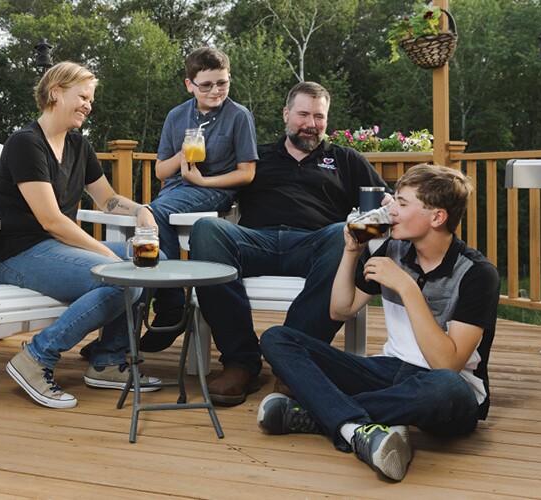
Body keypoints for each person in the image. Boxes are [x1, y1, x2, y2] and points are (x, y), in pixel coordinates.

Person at [257, 164, 499, 482]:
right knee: (277, 338)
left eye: (401, 203)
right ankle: (356, 428)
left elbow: (447, 364)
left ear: (437, 217)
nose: (390, 210)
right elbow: (340, 310)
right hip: (388, 373)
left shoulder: (478, 274)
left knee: (446, 388)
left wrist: (407, 287)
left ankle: (319, 415)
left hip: (446, 391)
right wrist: (350, 252)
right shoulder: (394, 249)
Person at [189, 81, 390, 406]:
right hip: (256, 240)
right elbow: (212, 192)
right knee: (207, 229)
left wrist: (374, 222)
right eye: (303, 114)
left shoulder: (345, 159)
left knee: (342, 236)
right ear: (286, 114)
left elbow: (387, 203)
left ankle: (292, 363)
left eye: (319, 116)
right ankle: (241, 362)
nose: (311, 124)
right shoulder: (256, 157)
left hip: (315, 244)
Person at [0, 62, 162, 409]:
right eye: (82, 96)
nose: (88, 105)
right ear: (55, 93)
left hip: (55, 249)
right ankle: (36, 357)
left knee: (153, 262)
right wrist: (107, 255)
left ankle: (107, 361)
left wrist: (140, 208)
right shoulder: (26, 143)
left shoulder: (79, 146)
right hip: (18, 255)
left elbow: (107, 199)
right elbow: (51, 220)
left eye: (90, 99)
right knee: (121, 277)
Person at [80, 47, 258, 359]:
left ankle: (170, 306)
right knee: (141, 236)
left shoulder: (239, 116)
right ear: (190, 84)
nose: (216, 90)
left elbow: (247, 173)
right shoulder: (177, 116)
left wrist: (203, 181)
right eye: (207, 85)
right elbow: (162, 171)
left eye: (223, 83)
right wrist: (184, 152)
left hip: (215, 191)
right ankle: (121, 333)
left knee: (151, 215)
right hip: (175, 192)